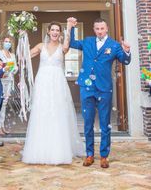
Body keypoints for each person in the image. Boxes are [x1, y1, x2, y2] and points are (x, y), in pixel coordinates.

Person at [69, 17, 131, 168]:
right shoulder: (88, 41)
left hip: (104, 88)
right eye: (97, 29)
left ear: (107, 28)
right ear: (94, 29)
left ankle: (104, 155)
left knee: (105, 123)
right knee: (88, 123)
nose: (99, 31)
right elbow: (72, 43)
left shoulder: (115, 45)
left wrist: (127, 50)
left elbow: (126, 61)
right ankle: (89, 154)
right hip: (87, 87)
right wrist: (70, 28)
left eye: (102, 29)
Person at [22, 21, 85, 165]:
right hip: (43, 82)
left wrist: (69, 27)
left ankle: (59, 149)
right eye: (53, 30)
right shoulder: (40, 46)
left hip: (57, 83)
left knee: (57, 113)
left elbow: (68, 42)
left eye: (58, 30)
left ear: (60, 33)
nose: (55, 32)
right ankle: (39, 149)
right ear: (48, 32)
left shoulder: (63, 48)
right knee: (42, 112)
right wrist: (22, 39)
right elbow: (25, 56)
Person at [0, 35, 17, 135]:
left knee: (5, 104)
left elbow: (16, 67)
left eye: (9, 41)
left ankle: (2, 126)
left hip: (9, 81)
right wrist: (2, 71)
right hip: (1, 80)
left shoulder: (12, 55)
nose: (7, 43)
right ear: (2, 42)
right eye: (6, 41)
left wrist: (13, 69)